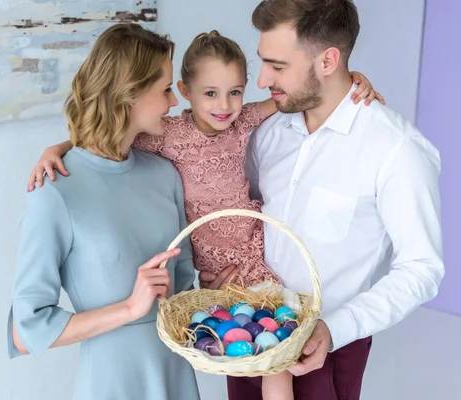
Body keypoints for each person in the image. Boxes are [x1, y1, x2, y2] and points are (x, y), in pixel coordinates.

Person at [27, 28, 382, 400]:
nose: (224, 105)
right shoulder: (166, 134)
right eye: (209, 93)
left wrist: (346, 82)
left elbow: (291, 97)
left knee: (278, 355)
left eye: (235, 92)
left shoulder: (241, 122)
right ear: (184, 91)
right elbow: (107, 133)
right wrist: (61, 147)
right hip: (211, 273)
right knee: (263, 351)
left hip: (252, 255)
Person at [199, 1, 444, 399]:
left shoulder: (398, 150)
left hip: (326, 351)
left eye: (277, 67)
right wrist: (220, 269)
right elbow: (247, 217)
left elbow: (421, 270)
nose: (262, 80)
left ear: (328, 60)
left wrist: (335, 329)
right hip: (248, 338)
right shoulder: (267, 134)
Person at [6, 23, 201, 400]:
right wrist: (130, 308)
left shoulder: (164, 175)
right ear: (130, 95)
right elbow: (26, 331)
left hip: (177, 376)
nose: (173, 102)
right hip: (113, 385)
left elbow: (183, 291)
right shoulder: (55, 193)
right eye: (164, 90)